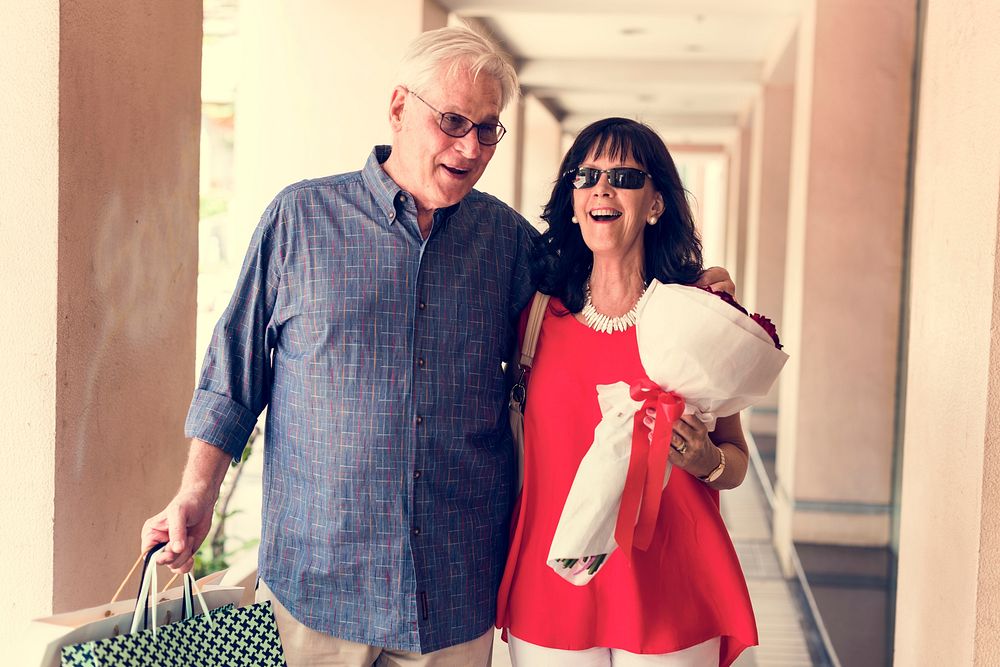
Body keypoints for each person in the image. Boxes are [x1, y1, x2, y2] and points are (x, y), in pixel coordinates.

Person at [140, 26, 734, 667]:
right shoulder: (300, 221)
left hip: (454, 589)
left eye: (486, 129)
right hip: (317, 585)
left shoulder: (506, 242)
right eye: (452, 121)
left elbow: (598, 296)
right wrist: (195, 493)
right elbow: (235, 372)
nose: (469, 146)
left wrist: (688, 291)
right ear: (399, 108)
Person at [495, 117, 757, 667]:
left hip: (673, 589)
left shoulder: (697, 315)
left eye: (623, 176)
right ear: (572, 201)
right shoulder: (536, 317)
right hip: (553, 587)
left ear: (656, 202)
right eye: (586, 175)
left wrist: (706, 459)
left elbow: (735, 463)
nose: (602, 188)